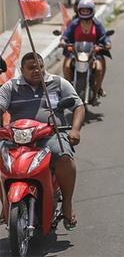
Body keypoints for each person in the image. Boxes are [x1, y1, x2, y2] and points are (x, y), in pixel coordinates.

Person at [0, 52, 85, 230]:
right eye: (31, 68)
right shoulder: (10, 87)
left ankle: (68, 205)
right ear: (22, 70)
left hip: (50, 135)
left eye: (39, 66)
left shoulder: (58, 82)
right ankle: (5, 204)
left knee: (63, 156)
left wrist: (75, 130)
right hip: (17, 137)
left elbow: (78, 106)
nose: (36, 70)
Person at [59, 0, 112, 106]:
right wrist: (63, 41)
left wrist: (107, 43)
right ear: (79, 11)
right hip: (76, 52)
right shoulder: (75, 23)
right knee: (67, 66)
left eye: (87, 10)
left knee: (99, 68)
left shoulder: (96, 24)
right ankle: (67, 89)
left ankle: (97, 91)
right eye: (83, 11)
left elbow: (103, 35)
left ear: (91, 10)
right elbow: (66, 34)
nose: (85, 13)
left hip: (93, 53)